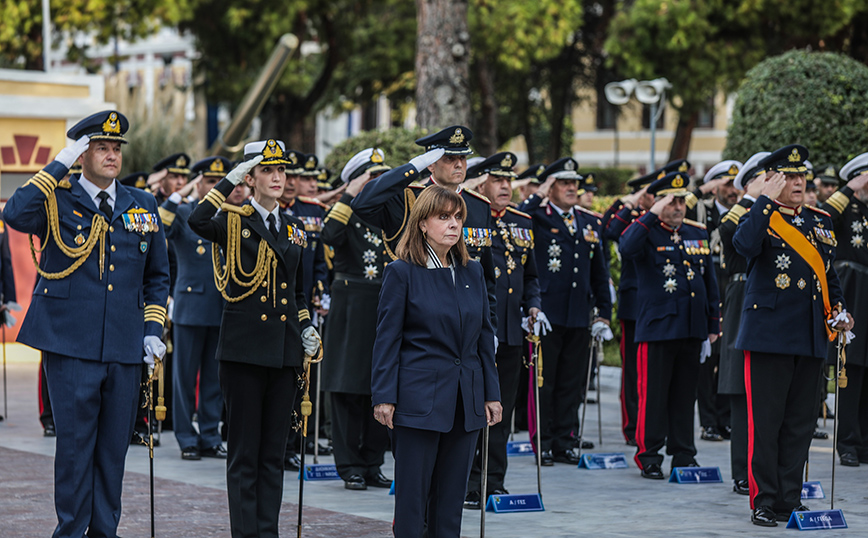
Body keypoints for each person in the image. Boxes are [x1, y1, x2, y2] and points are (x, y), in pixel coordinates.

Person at [4, 110, 171, 538]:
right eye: (101, 147)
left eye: (116, 148)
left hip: (124, 344)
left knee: (112, 453)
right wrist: (59, 162)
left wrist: (153, 330)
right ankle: (70, 532)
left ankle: (103, 533)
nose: (112, 155)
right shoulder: (56, 198)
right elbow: (16, 215)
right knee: (76, 451)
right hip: (70, 343)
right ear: (82, 154)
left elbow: (157, 276)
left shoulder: (143, 204)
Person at [188, 139, 321, 538]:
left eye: (282, 171)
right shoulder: (232, 220)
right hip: (244, 352)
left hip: (283, 352)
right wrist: (229, 179)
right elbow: (197, 219)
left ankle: (268, 532)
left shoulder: (295, 228)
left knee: (272, 454)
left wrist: (307, 327)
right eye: (267, 171)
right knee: (245, 454)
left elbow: (296, 293)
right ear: (251, 177)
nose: (278, 178)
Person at [733, 144, 854, 526]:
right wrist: (763, 202)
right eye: (789, 176)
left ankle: (789, 497)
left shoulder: (819, 220)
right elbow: (743, 247)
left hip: (810, 334)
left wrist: (840, 312)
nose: (799, 182)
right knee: (766, 422)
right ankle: (764, 500)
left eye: (802, 175)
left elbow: (828, 277)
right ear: (772, 180)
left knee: (800, 423)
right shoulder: (759, 216)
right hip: (769, 334)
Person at [372, 185, 501, 538]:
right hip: (418, 401)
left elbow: (483, 338)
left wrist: (492, 393)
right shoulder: (402, 272)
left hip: (465, 400)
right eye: (443, 217)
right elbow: (387, 338)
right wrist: (383, 395)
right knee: (413, 501)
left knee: (450, 501)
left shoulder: (471, 271)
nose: (453, 224)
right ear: (422, 224)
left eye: (458, 217)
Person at [619, 171, 720, 479]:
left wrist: (712, 322)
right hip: (659, 328)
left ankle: (683, 453)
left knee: (684, 394)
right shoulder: (645, 231)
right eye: (671, 201)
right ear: (659, 202)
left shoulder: (696, 231)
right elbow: (625, 247)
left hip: (691, 326)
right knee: (654, 395)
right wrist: (651, 212)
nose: (678, 206)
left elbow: (709, 281)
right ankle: (649, 454)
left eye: (681, 200)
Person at [350, 125, 497, 328]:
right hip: (417, 310)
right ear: (430, 165)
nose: (459, 165)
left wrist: (491, 328)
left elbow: (486, 276)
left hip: (466, 313)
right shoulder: (408, 197)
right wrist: (412, 168)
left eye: (462, 158)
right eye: (449, 159)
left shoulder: (479, 205)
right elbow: (362, 204)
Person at [517, 157, 612, 464]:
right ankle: (542, 443)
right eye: (564, 183)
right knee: (544, 383)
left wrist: (603, 313)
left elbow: (600, 272)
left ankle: (564, 440)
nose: (573, 188)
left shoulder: (589, 222)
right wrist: (538, 194)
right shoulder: (536, 216)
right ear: (551, 187)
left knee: (572, 384)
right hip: (546, 314)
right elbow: (516, 218)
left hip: (577, 314)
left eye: (575, 183)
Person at [463, 152, 543, 508]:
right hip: (475, 330)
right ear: (480, 183)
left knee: (501, 410)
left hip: (510, 331)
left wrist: (534, 306)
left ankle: (493, 479)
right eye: (498, 180)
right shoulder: (466, 214)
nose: (506, 186)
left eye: (509, 180)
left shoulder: (522, 221)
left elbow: (531, 276)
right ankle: (466, 482)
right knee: (469, 409)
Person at [320, 148, 393, 490]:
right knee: (347, 388)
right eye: (371, 178)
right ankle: (348, 463)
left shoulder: (390, 213)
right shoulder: (345, 212)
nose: (379, 184)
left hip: (383, 307)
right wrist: (349, 194)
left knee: (379, 387)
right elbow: (329, 237)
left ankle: (372, 460)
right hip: (351, 307)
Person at [159, 156, 236, 461]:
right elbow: (159, 228)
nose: (214, 187)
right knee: (184, 377)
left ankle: (209, 435)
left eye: (219, 181)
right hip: (191, 305)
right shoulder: (181, 212)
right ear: (198, 183)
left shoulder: (230, 214)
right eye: (208, 181)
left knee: (215, 379)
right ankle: (186, 438)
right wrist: (180, 194)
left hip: (220, 306)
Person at [717, 151, 769, 495]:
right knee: (742, 391)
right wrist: (757, 197)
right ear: (750, 182)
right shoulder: (746, 210)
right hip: (742, 300)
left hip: (770, 304)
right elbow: (728, 230)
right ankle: (742, 471)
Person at [822, 152, 868, 467]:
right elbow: (823, 215)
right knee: (850, 368)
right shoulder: (844, 207)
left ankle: (864, 442)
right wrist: (851, 188)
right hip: (851, 287)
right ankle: (848, 443)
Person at [694, 160, 741, 443]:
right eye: (726, 185)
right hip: (708, 291)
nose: (733, 191)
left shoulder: (743, 212)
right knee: (707, 359)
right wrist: (701, 190)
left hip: (733, 289)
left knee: (728, 358)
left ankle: (725, 419)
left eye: (736, 185)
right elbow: (677, 199)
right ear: (714, 188)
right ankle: (708, 422)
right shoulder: (703, 210)